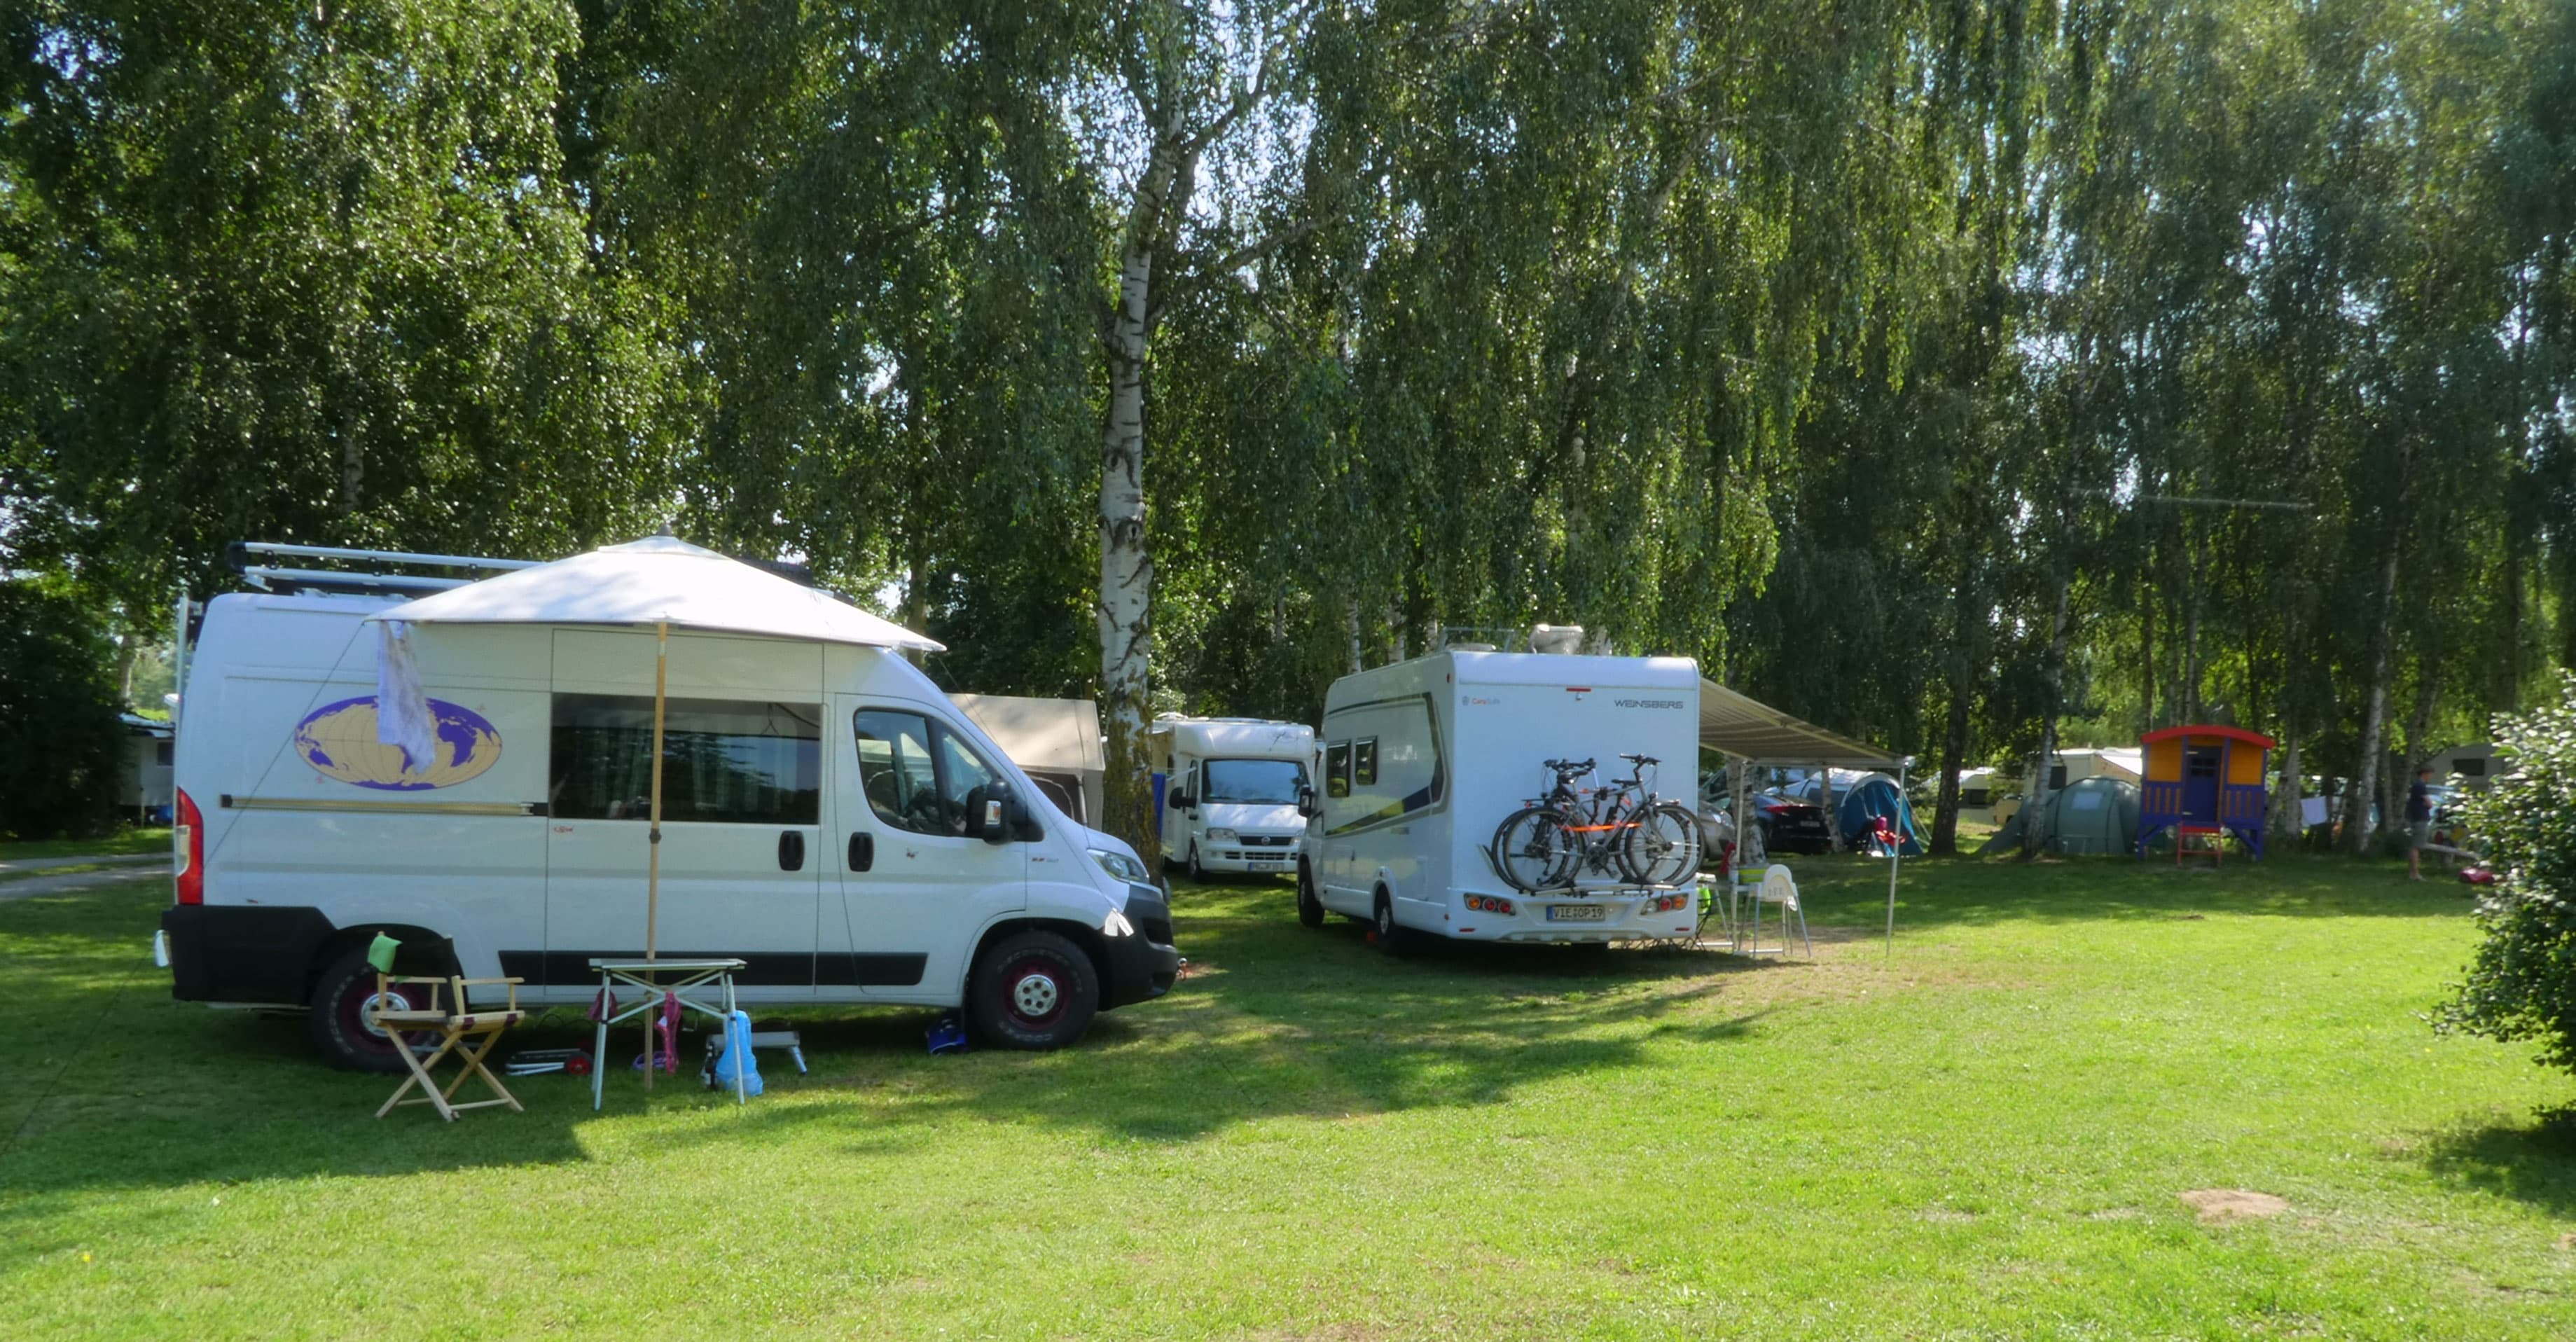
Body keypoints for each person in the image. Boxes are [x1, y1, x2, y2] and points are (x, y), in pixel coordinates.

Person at [2406, 766, 2434, 882]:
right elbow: (2430, 804)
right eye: (2430, 774)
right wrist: (2427, 804)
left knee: (2415, 846)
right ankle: (2415, 874)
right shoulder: (2420, 786)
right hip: (2420, 819)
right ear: (2424, 774)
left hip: (2416, 818)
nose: (2431, 777)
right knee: (2416, 847)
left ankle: (2412, 872)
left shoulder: (2416, 785)